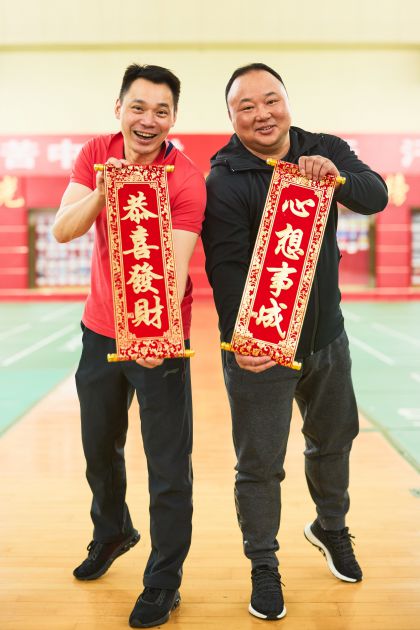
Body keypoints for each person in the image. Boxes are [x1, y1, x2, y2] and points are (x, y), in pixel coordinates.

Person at [202, 62, 388, 621]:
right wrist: (240, 340)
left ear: (287, 101)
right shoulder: (225, 179)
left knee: (334, 440)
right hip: (262, 349)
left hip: (327, 337)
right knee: (259, 463)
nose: (262, 114)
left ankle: (331, 527)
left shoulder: (323, 148)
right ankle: (263, 563)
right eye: (246, 107)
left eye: (271, 100)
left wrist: (337, 177)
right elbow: (225, 268)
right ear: (231, 117)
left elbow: (376, 196)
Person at [53, 64, 206, 628]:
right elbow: (64, 229)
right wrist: (105, 189)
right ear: (118, 108)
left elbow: (176, 268)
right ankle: (113, 531)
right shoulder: (97, 153)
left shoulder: (186, 179)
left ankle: (164, 580)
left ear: (173, 119)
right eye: (138, 107)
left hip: (160, 335)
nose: (148, 120)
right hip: (99, 330)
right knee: (99, 448)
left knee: (168, 465)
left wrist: (153, 334)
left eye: (162, 111)